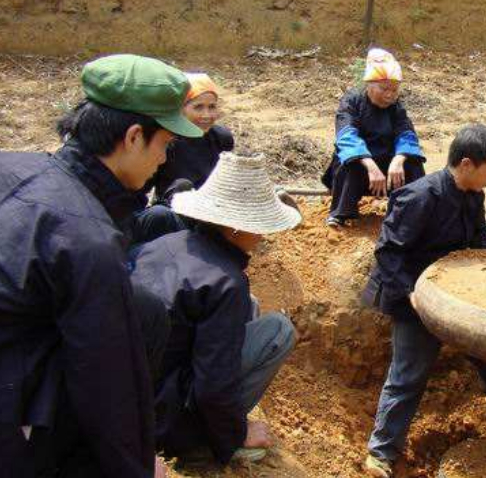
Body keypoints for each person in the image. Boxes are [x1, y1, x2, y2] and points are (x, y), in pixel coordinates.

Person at [0, 54, 203, 478]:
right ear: (133, 137)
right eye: (164, 145)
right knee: (129, 333)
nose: (164, 161)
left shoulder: (14, 166)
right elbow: (106, 379)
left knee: (141, 307)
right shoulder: (86, 238)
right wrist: (136, 465)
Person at [361, 124, 486, 478]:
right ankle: (381, 451)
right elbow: (388, 253)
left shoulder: (473, 194)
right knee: (409, 374)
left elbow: (479, 237)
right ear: (467, 164)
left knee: (483, 339)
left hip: (453, 288)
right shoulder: (419, 198)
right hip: (412, 294)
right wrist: (413, 297)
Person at [129, 153, 302, 465]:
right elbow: (213, 384)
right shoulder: (226, 282)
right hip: (160, 419)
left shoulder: (168, 241)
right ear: (237, 228)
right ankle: (198, 442)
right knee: (279, 330)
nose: (263, 236)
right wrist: (234, 434)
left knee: (250, 306)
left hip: (127, 395)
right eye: (260, 226)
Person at [321, 48, 426, 227]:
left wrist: (399, 160)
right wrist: (370, 165)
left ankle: (415, 213)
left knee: (412, 163)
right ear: (369, 84)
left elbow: (406, 134)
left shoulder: (396, 107)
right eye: (384, 88)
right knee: (348, 162)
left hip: (388, 164)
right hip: (362, 166)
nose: (390, 94)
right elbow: (347, 136)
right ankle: (341, 212)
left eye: (394, 90)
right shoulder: (351, 102)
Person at [132, 72, 235, 244]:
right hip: (176, 219)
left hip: (213, 215)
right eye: (198, 107)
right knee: (182, 186)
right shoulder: (167, 141)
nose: (207, 115)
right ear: (181, 109)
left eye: (212, 107)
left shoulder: (221, 139)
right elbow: (140, 188)